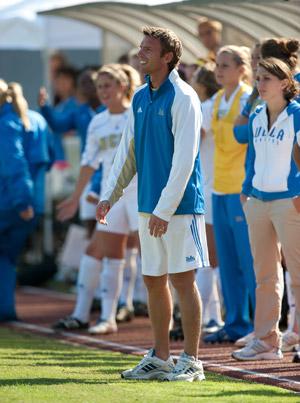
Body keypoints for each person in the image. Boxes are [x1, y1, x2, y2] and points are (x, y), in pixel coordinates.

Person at [96, 26, 209, 382]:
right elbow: (127, 152)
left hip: (180, 207)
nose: (141, 52)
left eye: (148, 48)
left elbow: (185, 159)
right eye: (140, 47)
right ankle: (160, 358)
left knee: (181, 279)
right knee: (152, 279)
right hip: (149, 206)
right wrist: (108, 197)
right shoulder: (142, 97)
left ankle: (191, 360)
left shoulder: (184, 96)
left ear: (167, 57)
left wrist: (164, 209)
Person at [53, 64, 141, 335]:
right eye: (99, 86)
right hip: (110, 196)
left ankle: (171, 315)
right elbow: (89, 164)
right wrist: (75, 197)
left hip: (139, 193)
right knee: (108, 255)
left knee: (151, 256)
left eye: (108, 85)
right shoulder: (97, 121)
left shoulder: (137, 115)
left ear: (123, 87)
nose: (102, 91)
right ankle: (104, 316)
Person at [232, 57, 300, 362]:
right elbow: (252, 159)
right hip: (258, 201)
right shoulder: (257, 114)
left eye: (266, 79)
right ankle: (267, 342)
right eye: (257, 78)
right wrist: (246, 192)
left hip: (289, 201)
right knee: (265, 276)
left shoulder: (298, 115)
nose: (259, 84)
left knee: (298, 275)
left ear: (285, 84)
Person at [203, 46, 256, 344]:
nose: (219, 70)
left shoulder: (249, 98)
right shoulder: (215, 101)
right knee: (226, 260)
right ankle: (235, 323)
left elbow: (240, 141)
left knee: (248, 261)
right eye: (217, 65)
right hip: (219, 188)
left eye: (225, 65)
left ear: (242, 68)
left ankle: (259, 328)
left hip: (241, 189)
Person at [0, 81, 51, 321]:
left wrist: (22, 202)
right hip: (32, 201)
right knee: (8, 258)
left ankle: (6, 308)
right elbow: (47, 159)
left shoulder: (7, 123)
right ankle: (6, 309)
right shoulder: (35, 119)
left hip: (11, 202)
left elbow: (13, 165)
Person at [192, 64, 224, 333]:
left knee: (208, 257)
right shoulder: (218, 105)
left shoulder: (206, 107)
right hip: (218, 186)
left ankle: (211, 316)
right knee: (214, 257)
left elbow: (192, 141)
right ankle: (213, 315)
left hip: (211, 187)